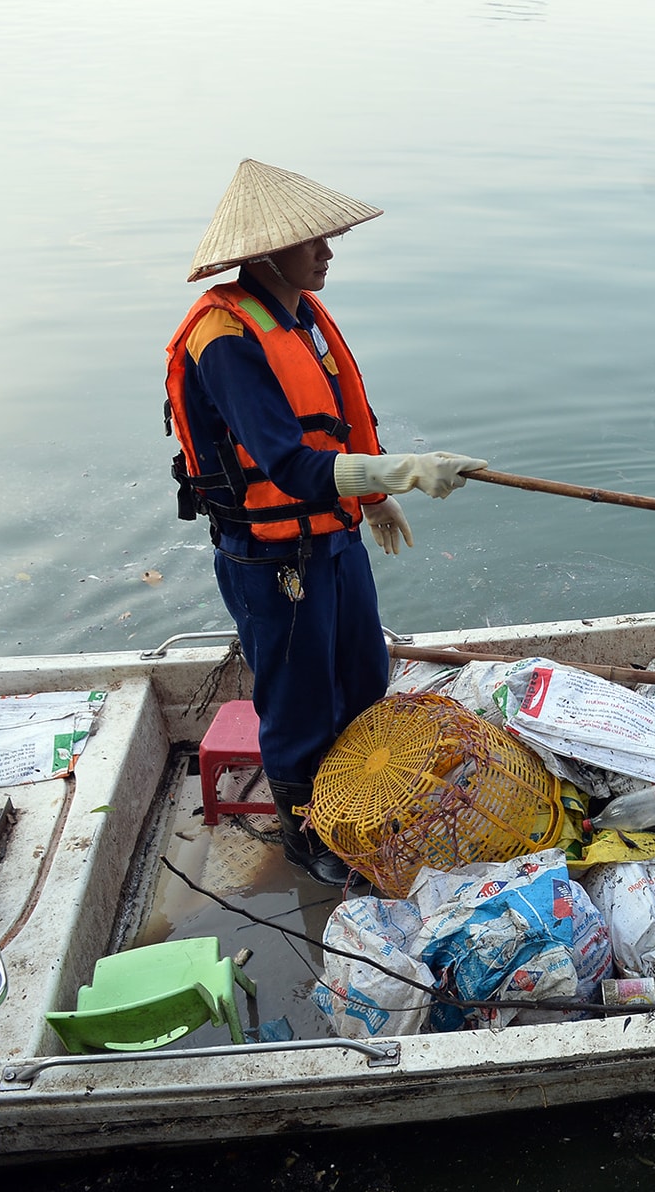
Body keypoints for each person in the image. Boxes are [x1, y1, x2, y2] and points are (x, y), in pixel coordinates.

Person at [165, 159, 487, 885]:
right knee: (298, 702)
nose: (328, 252)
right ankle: (308, 836)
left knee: (364, 672)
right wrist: (402, 470)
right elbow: (285, 463)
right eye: (313, 241)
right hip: (270, 554)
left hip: (332, 537)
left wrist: (374, 503)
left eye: (327, 238)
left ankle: (357, 802)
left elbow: (337, 427)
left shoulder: (301, 315)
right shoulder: (225, 339)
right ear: (264, 251)